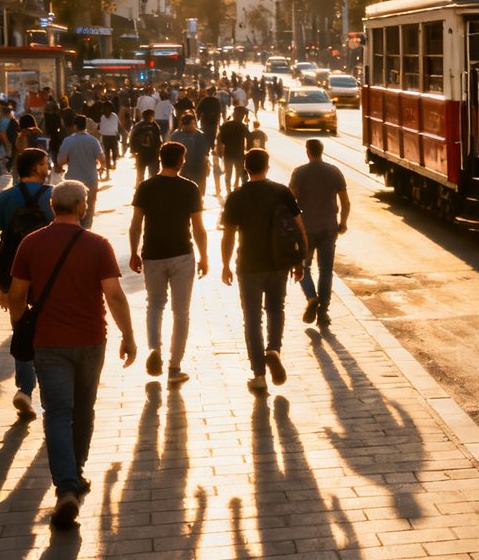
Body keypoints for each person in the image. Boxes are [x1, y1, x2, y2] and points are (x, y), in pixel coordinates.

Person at [5, 179, 135, 529]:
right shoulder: (97, 244)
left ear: (52, 206)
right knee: (84, 409)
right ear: (82, 206)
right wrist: (129, 335)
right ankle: (74, 474)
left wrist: (21, 324)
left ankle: (66, 485)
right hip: (91, 339)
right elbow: (115, 295)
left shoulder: (31, 243)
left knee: (57, 413)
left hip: (48, 342)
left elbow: (17, 293)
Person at [222, 148, 307, 392]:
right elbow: (299, 227)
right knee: (275, 309)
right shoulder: (281, 192)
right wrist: (299, 261)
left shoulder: (237, 196)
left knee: (252, 319)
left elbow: (228, 235)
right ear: (267, 166)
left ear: (245, 167)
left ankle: (259, 375)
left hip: (248, 265)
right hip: (279, 263)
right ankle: (274, 349)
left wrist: (226, 264)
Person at [0, 147, 54, 418]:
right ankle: (51, 390)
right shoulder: (53, 196)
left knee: (21, 328)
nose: (48, 167)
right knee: (49, 331)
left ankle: (24, 389)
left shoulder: (5, 198)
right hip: (49, 274)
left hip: (13, 274)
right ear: (35, 167)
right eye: (45, 163)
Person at [129, 141, 207, 384]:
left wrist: (134, 252)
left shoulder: (146, 187)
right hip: (182, 254)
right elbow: (199, 228)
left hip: (152, 253)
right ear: (181, 160)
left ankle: (154, 348)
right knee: (181, 312)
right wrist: (205, 256)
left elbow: (135, 224)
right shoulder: (190, 188)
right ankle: (174, 367)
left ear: (160, 159)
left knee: (154, 305)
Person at [290, 141, 349, 330]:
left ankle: (311, 297)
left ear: (308, 152)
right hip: (329, 228)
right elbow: (346, 202)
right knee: (325, 270)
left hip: (306, 230)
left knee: (304, 267)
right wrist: (343, 222)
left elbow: (290, 202)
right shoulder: (334, 171)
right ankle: (323, 312)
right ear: (322, 152)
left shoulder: (299, 173)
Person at [54, 116, 104, 229]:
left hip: (73, 181)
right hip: (91, 179)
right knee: (89, 208)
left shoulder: (68, 141)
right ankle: (86, 232)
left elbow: (61, 161)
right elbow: (102, 159)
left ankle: (75, 232)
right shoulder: (93, 140)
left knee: (72, 209)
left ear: (74, 126)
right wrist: (100, 169)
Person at [170, 114, 209, 196]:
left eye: (193, 123)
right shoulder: (176, 135)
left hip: (198, 167)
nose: (192, 126)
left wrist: (207, 165)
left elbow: (205, 153)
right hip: (182, 167)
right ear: (183, 125)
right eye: (190, 124)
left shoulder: (200, 135)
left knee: (199, 190)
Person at [216, 106, 251, 194]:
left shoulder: (226, 125)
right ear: (242, 116)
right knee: (239, 173)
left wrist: (219, 152)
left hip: (228, 153)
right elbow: (250, 138)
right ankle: (237, 186)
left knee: (228, 174)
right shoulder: (243, 126)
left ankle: (228, 192)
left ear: (234, 114)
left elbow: (220, 139)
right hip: (239, 154)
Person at [128, 109, 163, 185]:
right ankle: (147, 188)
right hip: (149, 153)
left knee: (141, 175)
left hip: (143, 153)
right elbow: (159, 139)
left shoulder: (139, 126)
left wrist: (133, 150)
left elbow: (132, 138)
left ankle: (140, 188)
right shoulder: (154, 126)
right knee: (151, 175)